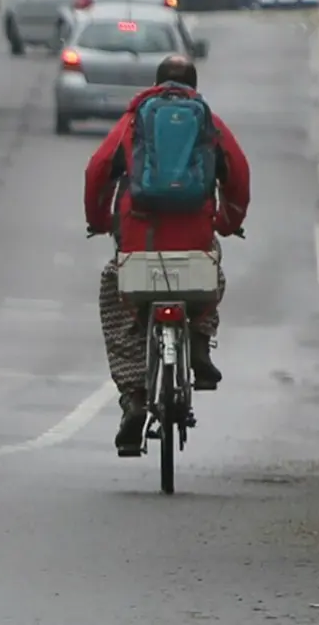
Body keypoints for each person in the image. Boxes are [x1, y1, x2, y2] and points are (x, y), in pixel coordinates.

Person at [83, 56, 251, 455]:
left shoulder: (134, 120)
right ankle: (198, 341)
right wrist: (228, 221)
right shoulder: (207, 122)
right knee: (213, 272)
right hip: (194, 237)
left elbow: (97, 170)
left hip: (141, 238)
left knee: (116, 294)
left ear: (156, 83)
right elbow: (238, 172)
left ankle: (135, 398)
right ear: (194, 85)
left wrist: (100, 220)